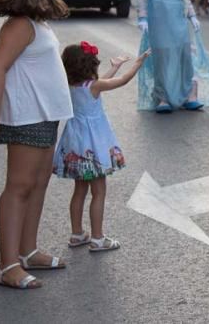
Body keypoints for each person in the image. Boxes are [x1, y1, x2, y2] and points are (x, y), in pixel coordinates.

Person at [0, 0, 73, 290]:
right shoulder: (18, 25)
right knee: (19, 187)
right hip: (27, 115)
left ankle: (28, 250)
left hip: (46, 114)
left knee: (38, 184)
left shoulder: (37, 23)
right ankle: (8, 265)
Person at [54, 42, 149, 251]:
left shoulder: (70, 86)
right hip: (93, 146)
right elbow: (121, 81)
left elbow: (100, 82)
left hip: (75, 144)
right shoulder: (94, 87)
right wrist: (138, 63)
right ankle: (98, 238)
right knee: (98, 191)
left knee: (79, 190)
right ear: (90, 66)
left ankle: (77, 234)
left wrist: (115, 66)